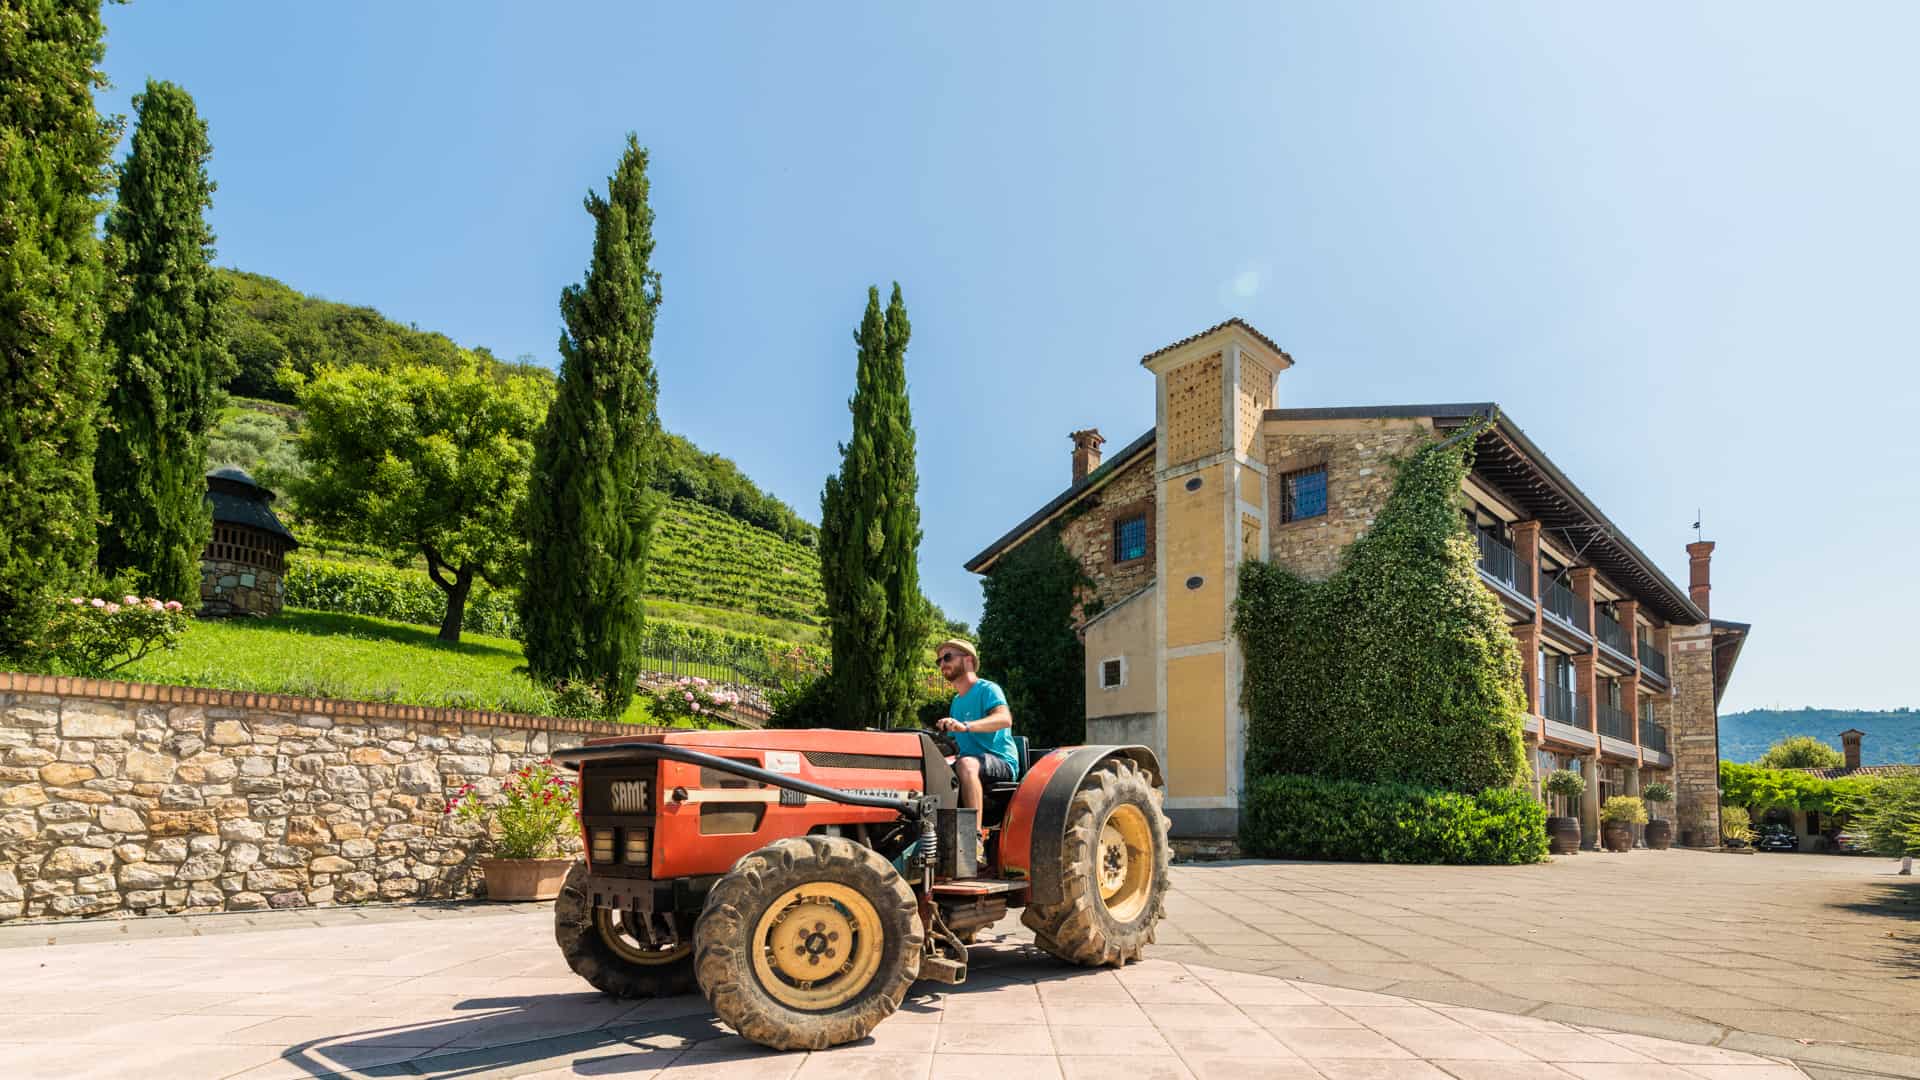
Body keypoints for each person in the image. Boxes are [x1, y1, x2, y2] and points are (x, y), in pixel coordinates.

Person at [932, 639, 1018, 847]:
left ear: (968, 660)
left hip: (1000, 762)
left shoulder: (988, 689)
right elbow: (954, 743)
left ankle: (974, 840)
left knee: (966, 764)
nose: (942, 664)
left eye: (947, 657)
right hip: (969, 762)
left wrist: (966, 726)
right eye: (939, 661)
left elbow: (1004, 719)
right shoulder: (957, 701)